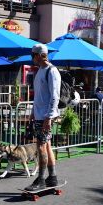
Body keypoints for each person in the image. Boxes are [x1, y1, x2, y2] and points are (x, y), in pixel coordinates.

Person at [25, 43, 61, 191]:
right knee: (46, 145)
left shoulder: (51, 71)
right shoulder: (40, 70)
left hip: (45, 116)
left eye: (33, 55)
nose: (31, 57)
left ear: (40, 55)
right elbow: (39, 96)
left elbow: (55, 97)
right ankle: (52, 177)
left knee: (41, 146)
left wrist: (48, 117)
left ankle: (41, 180)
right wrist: (33, 112)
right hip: (40, 115)